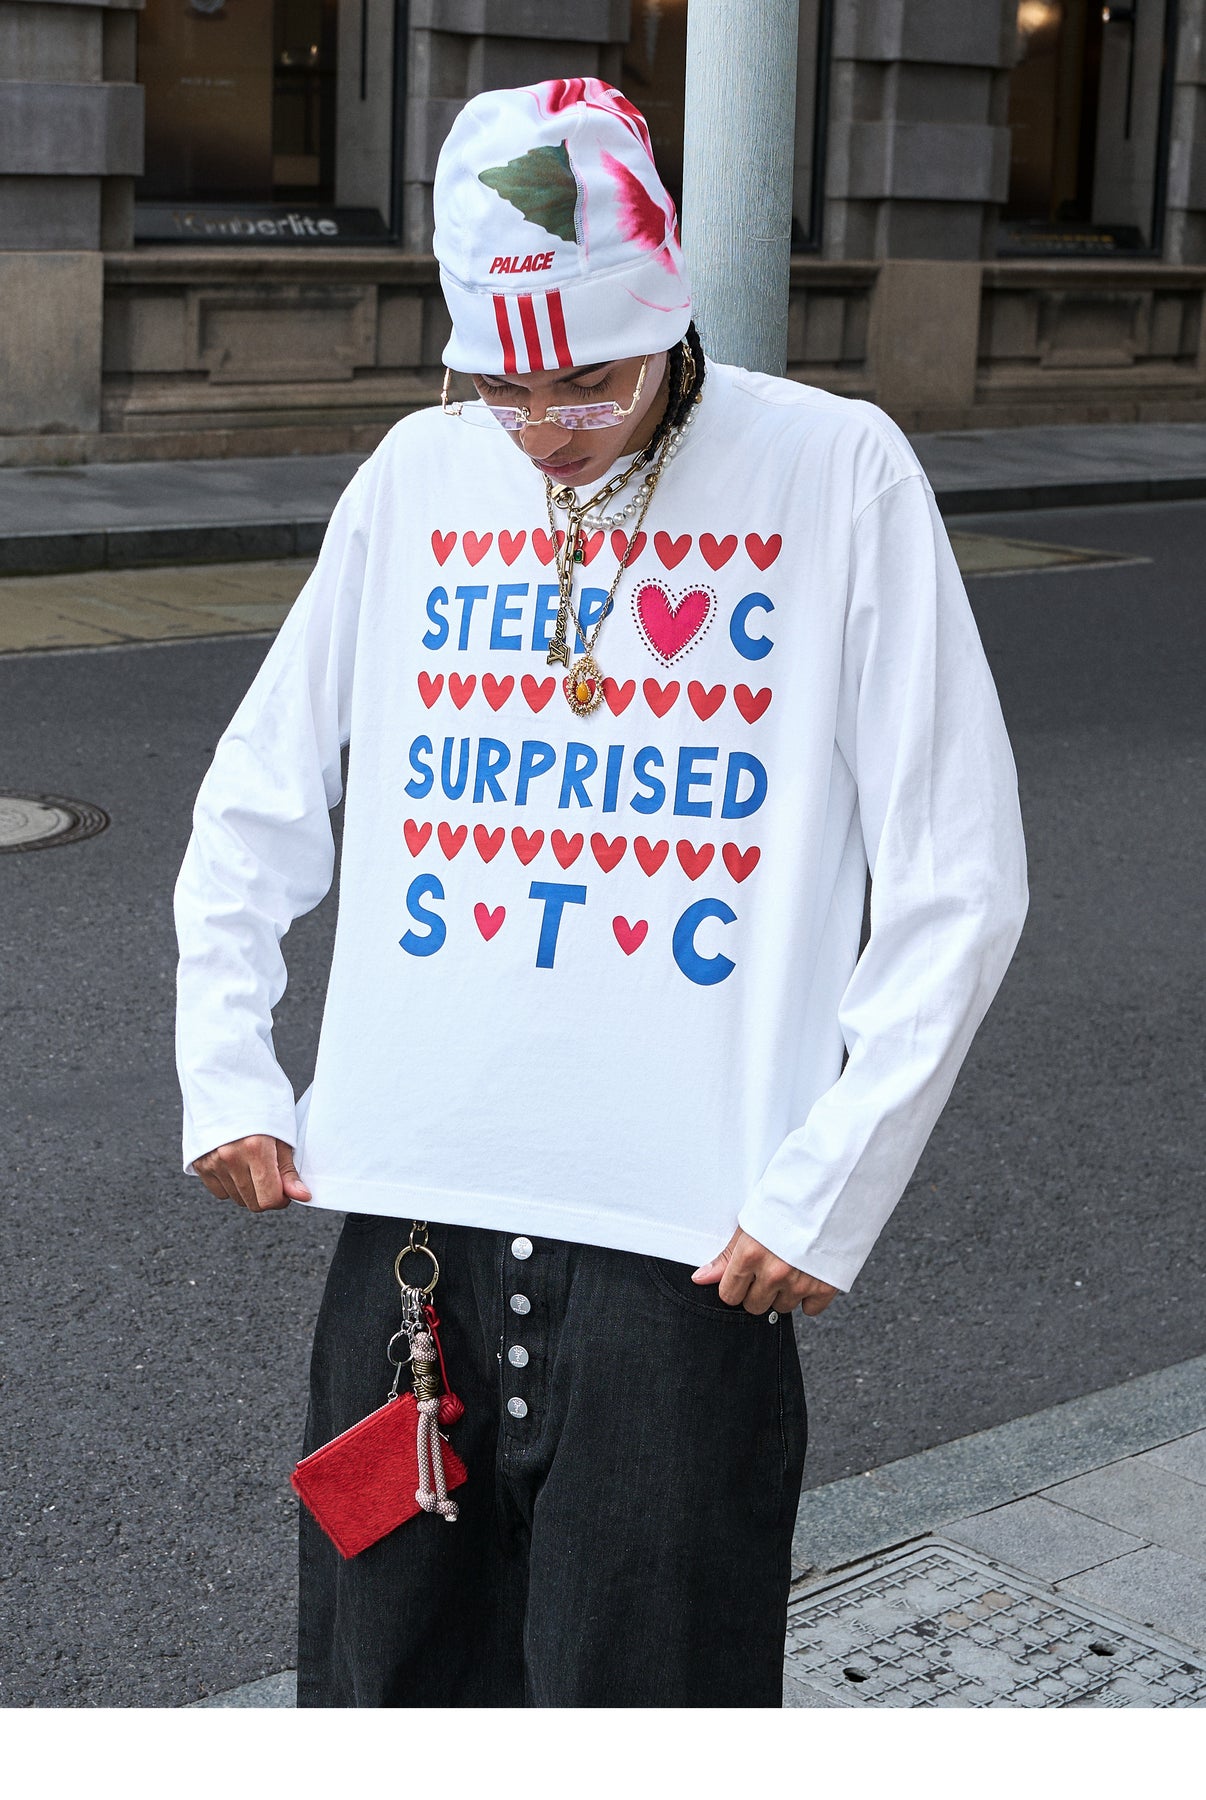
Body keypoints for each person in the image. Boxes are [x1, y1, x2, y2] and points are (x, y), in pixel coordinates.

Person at [174, 78, 1028, 1707]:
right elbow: (259, 789)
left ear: (669, 314)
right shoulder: (418, 476)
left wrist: (830, 1184)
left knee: (650, 1696)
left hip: (679, 1247)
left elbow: (959, 871)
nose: (546, 427)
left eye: (588, 379)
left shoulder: (831, 472)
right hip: (412, 1218)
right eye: (500, 385)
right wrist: (226, 1064)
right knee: (385, 1695)